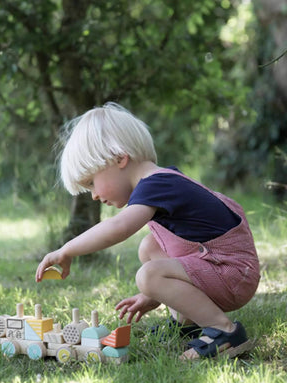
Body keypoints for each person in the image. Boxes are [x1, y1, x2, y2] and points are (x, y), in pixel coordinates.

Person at [35, 103, 260, 360]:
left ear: (120, 157)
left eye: (91, 183)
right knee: (150, 246)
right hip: (224, 267)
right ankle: (187, 325)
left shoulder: (156, 184)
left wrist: (67, 250)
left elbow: (118, 228)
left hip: (231, 274)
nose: (94, 195)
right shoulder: (162, 181)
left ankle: (224, 332)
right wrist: (151, 296)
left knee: (148, 275)